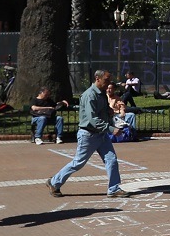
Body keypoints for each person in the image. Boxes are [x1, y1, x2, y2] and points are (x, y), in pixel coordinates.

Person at [45, 70, 126, 198]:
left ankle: (114, 188)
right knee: (79, 162)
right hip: (89, 135)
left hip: (101, 134)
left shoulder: (102, 94)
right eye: (106, 80)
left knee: (111, 160)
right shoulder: (89, 95)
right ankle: (54, 182)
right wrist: (111, 129)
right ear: (97, 79)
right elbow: (92, 119)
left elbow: (101, 111)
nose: (108, 84)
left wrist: (109, 111)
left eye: (109, 81)